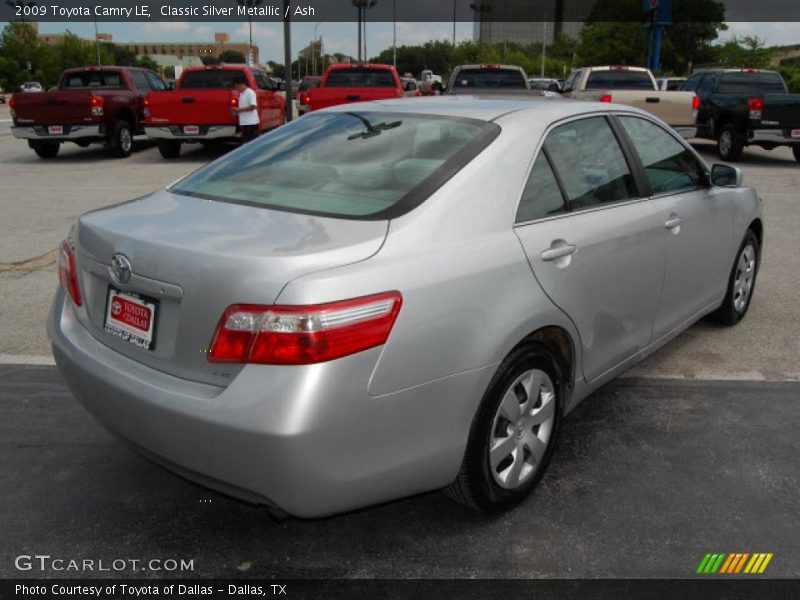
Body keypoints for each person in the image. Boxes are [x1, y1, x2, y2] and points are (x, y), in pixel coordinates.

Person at [232, 75, 259, 144]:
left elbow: (253, 106)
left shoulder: (250, 92)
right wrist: (236, 112)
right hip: (245, 123)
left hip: (251, 123)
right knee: (245, 142)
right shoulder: (241, 94)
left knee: (250, 143)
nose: (237, 89)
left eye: (237, 87)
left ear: (242, 84)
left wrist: (239, 110)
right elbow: (243, 107)